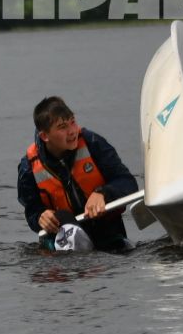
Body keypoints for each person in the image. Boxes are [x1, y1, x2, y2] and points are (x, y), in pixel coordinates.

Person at [17, 96, 139, 251]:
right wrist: (40, 217)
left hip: (105, 228)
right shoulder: (28, 167)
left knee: (120, 247)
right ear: (44, 136)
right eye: (62, 127)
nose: (72, 131)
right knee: (61, 217)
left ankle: (115, 245)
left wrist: (103, 193)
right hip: (63, 235)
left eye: (72, 121)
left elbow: (128, 183)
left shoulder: (93, 143)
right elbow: (32, 211)